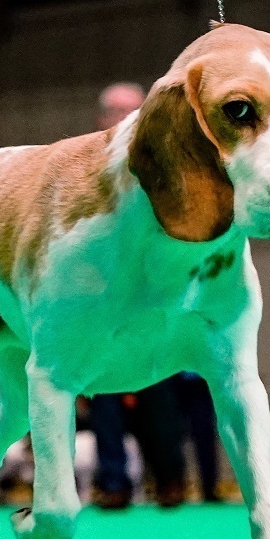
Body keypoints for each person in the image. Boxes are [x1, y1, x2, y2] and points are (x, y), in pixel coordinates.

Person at [88, 82, 193, 509]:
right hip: (102, 308)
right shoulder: (85, 171)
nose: (128, 119)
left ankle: (170, 480)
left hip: (155, 301)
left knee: (160, 397)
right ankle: (113, 483)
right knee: (105, 402)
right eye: (118, 111)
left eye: (136, 110)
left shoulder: (169, 169)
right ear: (102, 119)